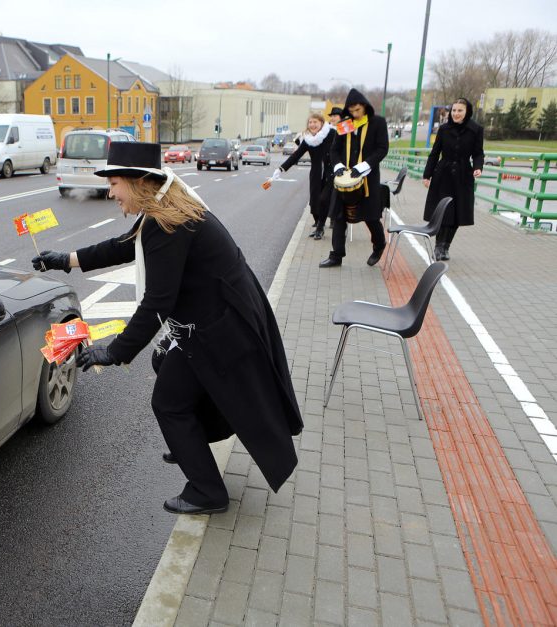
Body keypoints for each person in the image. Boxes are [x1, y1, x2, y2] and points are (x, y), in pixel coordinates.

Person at [31, 142, 303, 515]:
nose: (110, 192)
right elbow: (125, 247)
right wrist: (67, 260)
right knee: (173, 383)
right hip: (216, 323)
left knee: (168, 402)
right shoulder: (163, 209)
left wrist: (115, 352)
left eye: (114, 183)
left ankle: (207, 491)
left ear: (138, 181)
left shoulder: (166, 224)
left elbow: (157, 302)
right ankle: (191, 444)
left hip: (219, 332)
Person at [320, 88, 389, 268]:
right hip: (345, 179)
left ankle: (379, 245)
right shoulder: (344, 124)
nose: (355, 114)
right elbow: (335, 150)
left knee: (371, 217)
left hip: (368, 178)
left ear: (365, 107)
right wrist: (338, 166)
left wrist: (363, 166)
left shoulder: (378, 123)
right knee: (338, 216)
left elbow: (382, 149)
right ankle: (336, 255)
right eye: (351, 111)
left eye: (358, 110)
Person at [422, 97, 485, 260]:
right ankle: (438, 246)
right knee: (442, 212)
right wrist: (427, 175)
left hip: (464, 175)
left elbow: (478, 153)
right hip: (443, 174)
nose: (456, 114)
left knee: (458, 213)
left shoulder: (476, 129)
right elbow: (435, 153)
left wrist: (478, 167)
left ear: (467, 112)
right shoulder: (443, 129)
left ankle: (446, 247)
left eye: (460, 111)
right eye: (454, 110)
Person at [274, 112, 335, 240]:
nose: (312, 125)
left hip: (330, 172)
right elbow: (296, 156)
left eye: (315, 122)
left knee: (324, 199)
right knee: (314, 202)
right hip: (316, 173)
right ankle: (318, 223)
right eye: (310, 122)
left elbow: (343, 148)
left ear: (321, 123)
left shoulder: (331, 134)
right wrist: (281, 168)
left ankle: (320, 228)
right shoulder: (307, 140)